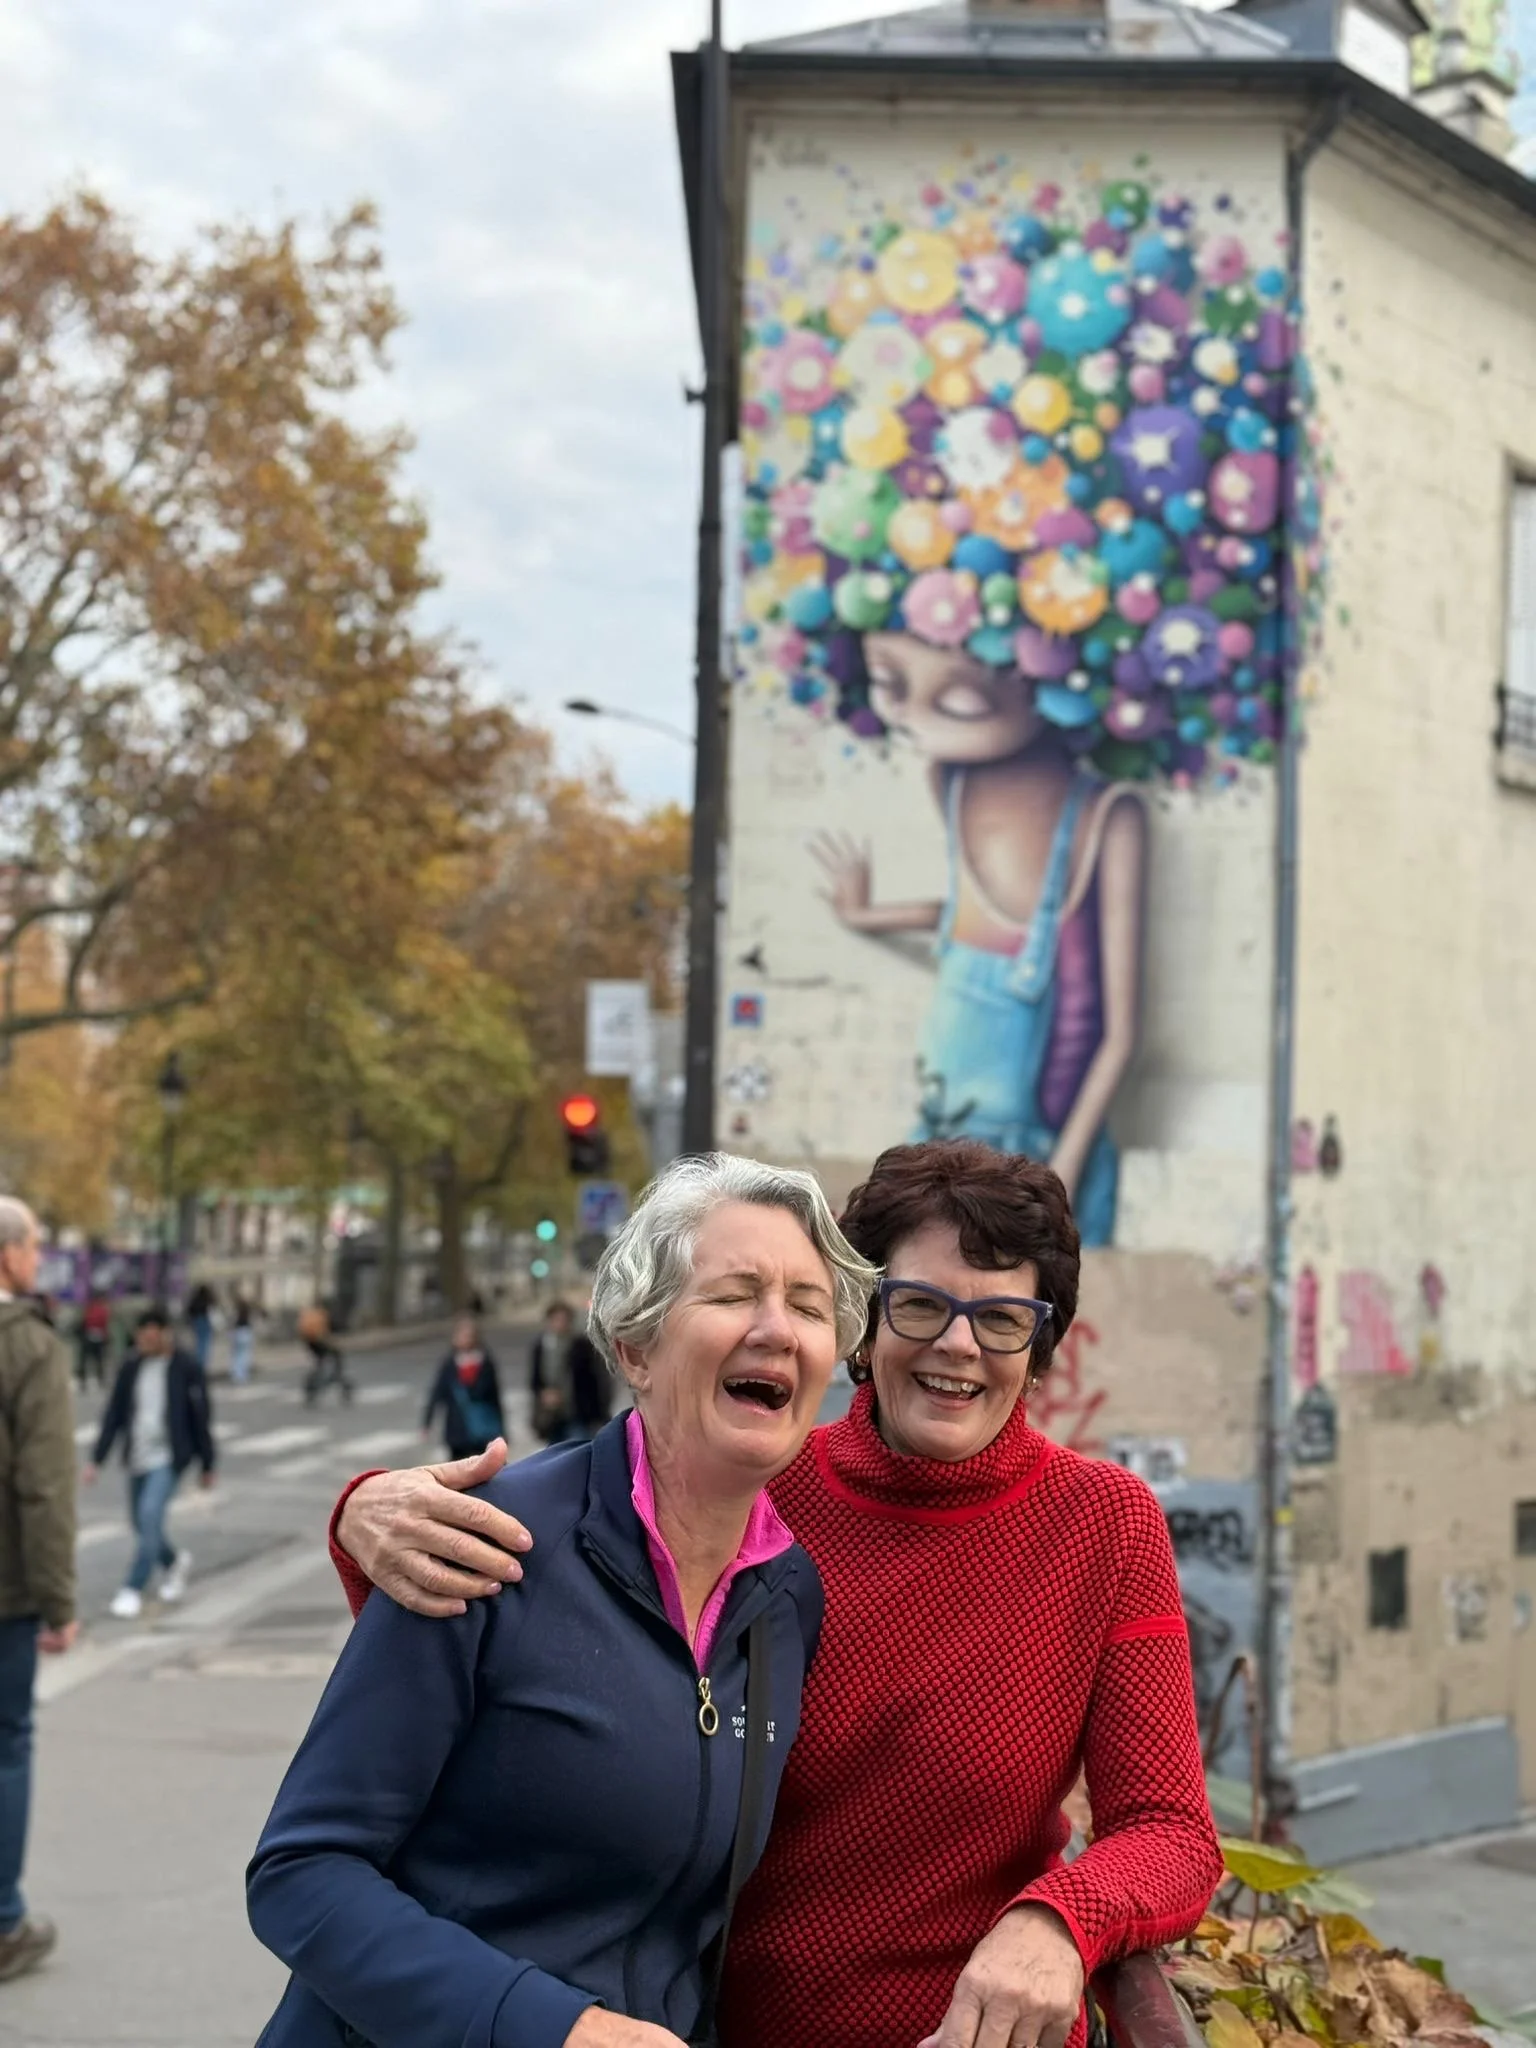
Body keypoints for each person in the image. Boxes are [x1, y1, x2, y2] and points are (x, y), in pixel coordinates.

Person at [331, 1139, 1222, 2048]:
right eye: (919, 1305)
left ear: (1038, 1351)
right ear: (863, 1327)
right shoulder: (757, 1486)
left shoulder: (1107, 1525)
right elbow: (566, 1573)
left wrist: (1058, 1921)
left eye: (1001, 1319)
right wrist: (363, 1513)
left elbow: (1173, 1830)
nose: (958, 1343)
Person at [246, 1153, 873, 2048]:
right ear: (635, 1348)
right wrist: (554, 2029)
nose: (778, 1328)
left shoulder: (786, 1599)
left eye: (810, 1307)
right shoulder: (485, 1542)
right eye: (735, 1294)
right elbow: (301, 1875)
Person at [0, 1197, 78, 1982]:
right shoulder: (23, 1344)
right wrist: (59, 1600)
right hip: (6, 1593)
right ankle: (2, 1923)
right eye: (33, 1246)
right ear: (11, 1256)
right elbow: (44, 1487)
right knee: (6, 1746)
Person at [85, 1305, 216, 1620]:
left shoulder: (185, 1367)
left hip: (168, 1458)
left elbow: (201, 1417)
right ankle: (173, 1563)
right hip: (137, 1457)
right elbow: (114, 1415)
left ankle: (132, 1588)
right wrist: (97, 1459)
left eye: (151, 1336)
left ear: (164, 1335)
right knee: (141, 1524)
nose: (144, 1342)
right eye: (141, 1337)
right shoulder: (131, 1367)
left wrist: (208, 1463)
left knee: (148, 1515)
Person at [421, 1316, 504, 1459]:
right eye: (461, 1335)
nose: (465, 1339)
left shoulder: (485, 1362)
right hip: (457, 1429)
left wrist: (502, 1430)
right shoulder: (449, 1363)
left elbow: (495, 1397)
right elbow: (437, 1393)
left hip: (481, 1429)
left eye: (469, 1336)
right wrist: (427, 1423)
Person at [530, 1298, 610, 1444]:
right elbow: (535, 1380)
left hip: (578, 1413)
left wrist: (600, 1414)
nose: (560, 1324)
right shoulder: (541, 1346)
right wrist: (544, 1395)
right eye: (556, 1319)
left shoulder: (581, 1345)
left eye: (563, 1319)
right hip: (553, 1415)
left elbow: (595, 1380)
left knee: (580, 1449)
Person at [298, 1302, 352, 1406]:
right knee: (336, 1358)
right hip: (320, 1343)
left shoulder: (312, 1314)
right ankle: (334, 1379)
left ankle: (316, 1382)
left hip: (311, 1343)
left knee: (321, 1363)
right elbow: (334, 1329)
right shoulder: (324, 1315)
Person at [75, 1289, 111, 1390]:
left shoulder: (91, 1308)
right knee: (93, 1361)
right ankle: (89, 1380)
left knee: (93, 1361)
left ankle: (90, 1380)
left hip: (94, 1337)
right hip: (93, 1337)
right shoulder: (97, 1309)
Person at [185, 1281, 216, 1372]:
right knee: (204, 1344)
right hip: (204, 1321)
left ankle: (199, 1364)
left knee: (199, 1343)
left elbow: (190, 1310)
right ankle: (201, 1365)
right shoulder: (207, 1300)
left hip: (197, 1321)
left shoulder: (195, 1299)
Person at [229, 1291, 256, 1386]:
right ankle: (243, 1374)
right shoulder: (247, 1310)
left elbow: (233, 1322)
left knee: (237, 1355)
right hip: (246, 1332)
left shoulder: (237, 1311)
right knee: (245, 1355)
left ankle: (237, 1374)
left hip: (238, 1332)